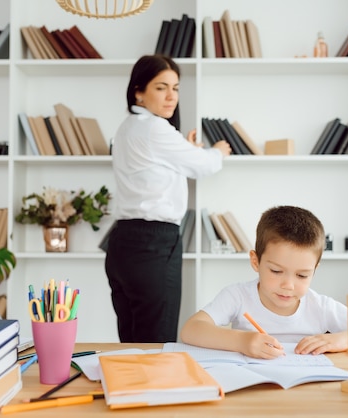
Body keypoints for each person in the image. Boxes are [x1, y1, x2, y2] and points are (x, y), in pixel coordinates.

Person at [105, 54, 232, 343]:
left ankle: (129, 389)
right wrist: (219, 152)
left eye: (175, 88)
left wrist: (185, 149)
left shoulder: (126, 128)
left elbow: (159, 167)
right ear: (139, 91)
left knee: (132, 341)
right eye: (161, 87)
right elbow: (203, 166)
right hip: (153, 243)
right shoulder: (155, 128)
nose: (170, 96)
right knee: (156, 341)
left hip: (122, 243)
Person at [181, 205, 348, 358]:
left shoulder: (319, 306)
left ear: (315, 270)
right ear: (255, 262)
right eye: (276, 271)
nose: (288, 285)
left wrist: (341, 340)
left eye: (302, 275)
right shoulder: (237, 296)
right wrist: (242, 342)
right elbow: (191, 329)